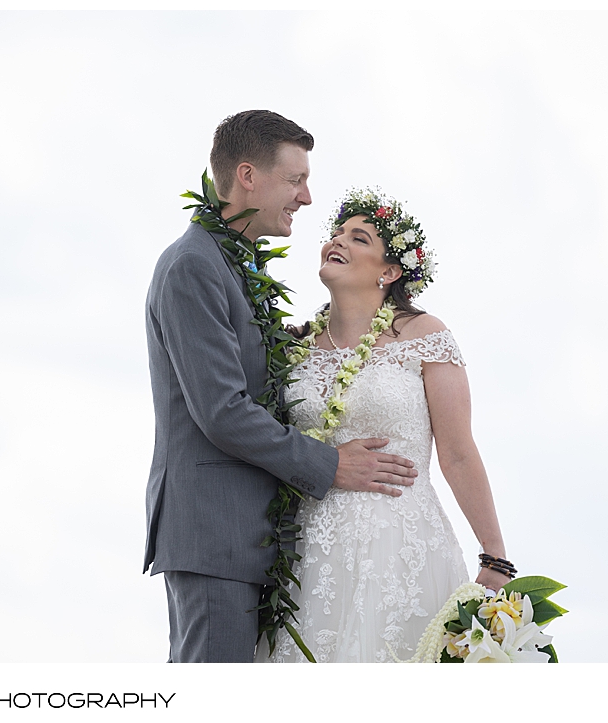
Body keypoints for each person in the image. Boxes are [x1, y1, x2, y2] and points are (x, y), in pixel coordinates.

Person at [143, 111, 420, 663]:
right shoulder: (193, 266)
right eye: (296, 180)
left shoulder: (233, 266)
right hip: (215, 534)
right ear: (249, 176)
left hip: (251, 539)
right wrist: (330, 464)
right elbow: (223, 410)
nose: (308, 197)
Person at [256, 188, 513, 663]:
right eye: (335, 233)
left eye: (359, 238)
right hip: (309, 554)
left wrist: (495, 556)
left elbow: (458, 453)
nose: (338, 241)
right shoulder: (292, 348)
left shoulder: (425, 335)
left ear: (389, 272)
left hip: (401, 545)